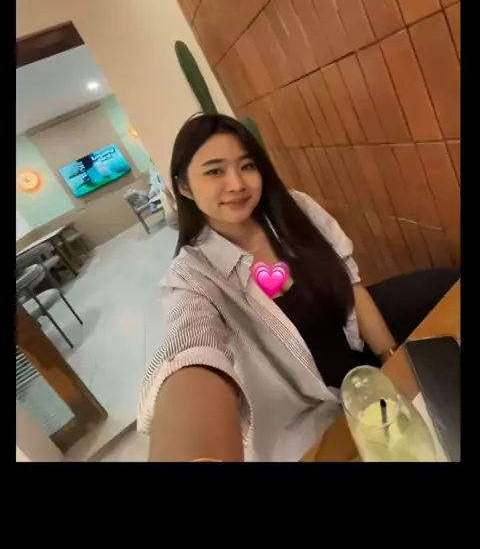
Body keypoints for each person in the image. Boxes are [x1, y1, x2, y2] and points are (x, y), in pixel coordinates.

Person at [138, 114, 459, 462]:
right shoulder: (191, 275)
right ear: (184, 187)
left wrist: (390, 359)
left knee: (442, 286)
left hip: (354, 345)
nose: (237, 184)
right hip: (307, 407)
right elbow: (192, 348)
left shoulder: (295, 209)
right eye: (215, 171)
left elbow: (350, 286)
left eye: (247, 166)